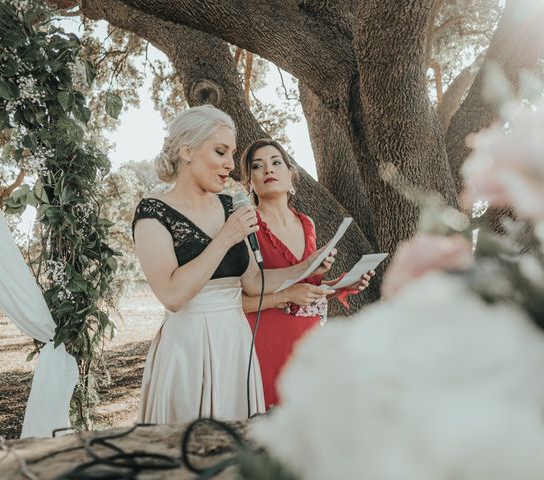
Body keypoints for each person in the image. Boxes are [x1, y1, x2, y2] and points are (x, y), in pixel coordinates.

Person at [132, 107, 335, 423]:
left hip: (237, 343)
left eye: (232, 154)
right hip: (189, 344)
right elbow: (172, 295)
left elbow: (254, 282)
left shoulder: (231, 207)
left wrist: (307, 267)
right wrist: (225, 238)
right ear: (187, 151)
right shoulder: (153, 212)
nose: (230, 164)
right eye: (220, 152)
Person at [240, 138, 373, 409]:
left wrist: (342, 284)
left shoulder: (307, 224)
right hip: (265, 339)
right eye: (258, 166)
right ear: (249, 181)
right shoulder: (246, 225)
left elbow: (309, 289)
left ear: (291, 174)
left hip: (309, 341)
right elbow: (239, 297)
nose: (268, 170)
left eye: (276, 163)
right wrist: (289, 294)